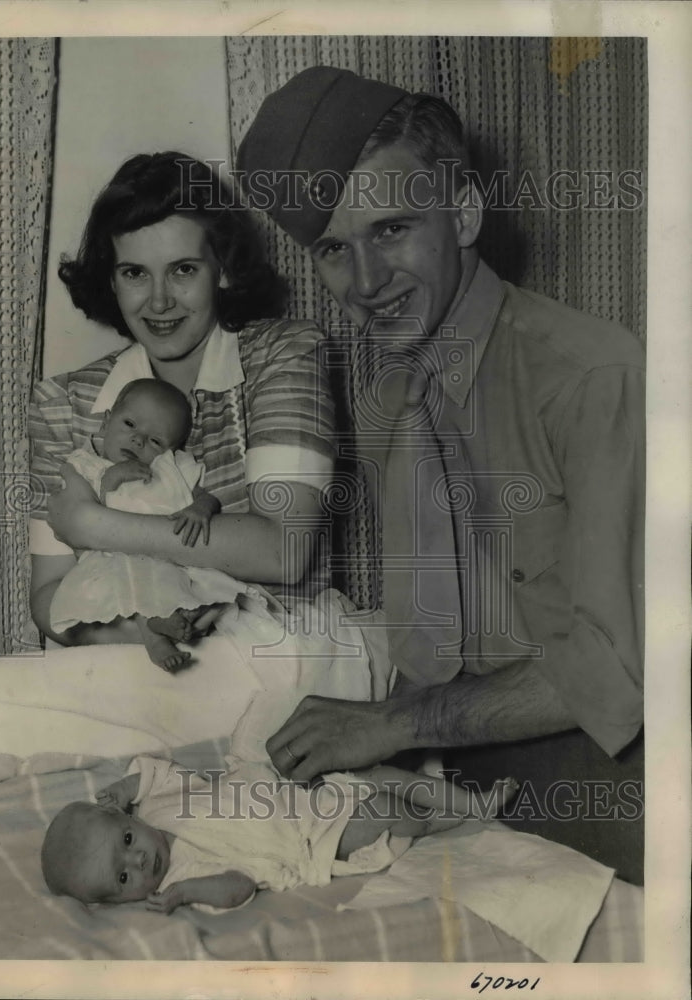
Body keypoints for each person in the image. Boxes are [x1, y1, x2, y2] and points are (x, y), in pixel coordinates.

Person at [237, 67, 645, 879]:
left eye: (390, 230)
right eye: (331, 250)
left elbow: (616, 673)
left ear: (462, 212)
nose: (363, 286)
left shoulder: (590, 376)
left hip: (602, 758)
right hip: (446, 754)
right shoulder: (386, 390)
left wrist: (387, 726)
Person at [29, 152, 337, 654]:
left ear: (223, 269)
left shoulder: (284, 355)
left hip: (280, 660)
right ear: (111, 279)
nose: (158, 301)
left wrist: (95, 525)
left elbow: (286, 550)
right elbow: (48, 599)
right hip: (129, 661)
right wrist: (156, 634)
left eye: (183, 270)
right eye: (134, 273)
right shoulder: (63, 402)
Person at [40, 753, 517, 909]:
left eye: (126, 842)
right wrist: (187, 894)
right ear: (123, 899)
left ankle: (470, 802)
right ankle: (451, 815)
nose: (139, 861)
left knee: (381, 776)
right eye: (123, 878)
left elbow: (152, 773)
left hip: (302, 798)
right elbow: (240, 886)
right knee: (395, 812)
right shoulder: (180, 877)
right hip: (309, 840)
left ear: (128, 819)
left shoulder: (155, 804)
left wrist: (124, 788)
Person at [48, 377, 269, 671]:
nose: (138, 440)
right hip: (113, 557)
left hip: (171, 556)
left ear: (170, 451)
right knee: (131, 578)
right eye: (129, 425)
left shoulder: (172, 468)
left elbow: (206, 497)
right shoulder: (86, 465)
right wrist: (111, 477)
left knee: (196, 587)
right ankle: (155, 634)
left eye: (155, 441)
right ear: (106, 422)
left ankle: (182, 620)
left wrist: (199, 509)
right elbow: (86, 512)